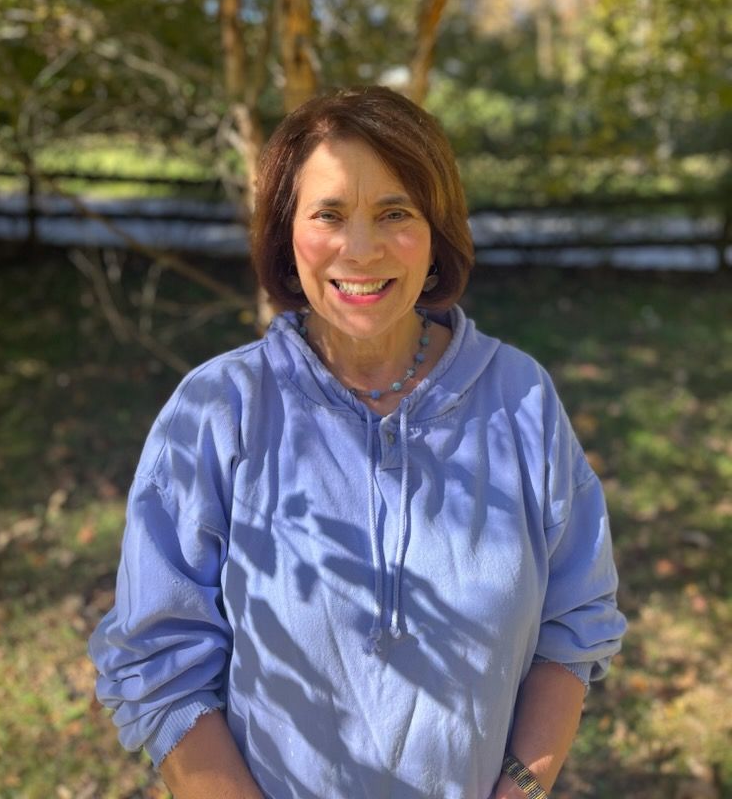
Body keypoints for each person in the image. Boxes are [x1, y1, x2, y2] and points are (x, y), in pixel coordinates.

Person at [89, 86, 627, 799]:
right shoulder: (219, 411)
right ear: (288, 233)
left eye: (395, 213)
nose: (362, 249)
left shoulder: (520, 399)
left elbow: (574, 622)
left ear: (437, 231)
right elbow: (159, 662)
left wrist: (518, 791)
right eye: (330, 214)